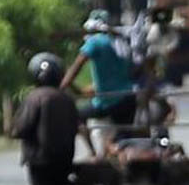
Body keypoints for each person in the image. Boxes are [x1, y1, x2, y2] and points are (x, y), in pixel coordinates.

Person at [11, 53, 81, 185]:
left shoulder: (33, 98)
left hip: (39, 163)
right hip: (64, 162)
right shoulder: (67, 99)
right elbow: (76, 128)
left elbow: (19, 130)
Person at [59, 9, 138, 156]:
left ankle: (93, 153)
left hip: (108, 101)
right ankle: (115, 151)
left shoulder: (95, 42)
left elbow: (75, 68)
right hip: (128, 99)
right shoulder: (120, 40)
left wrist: (62, 87)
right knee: (122, 139)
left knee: (75, 116)